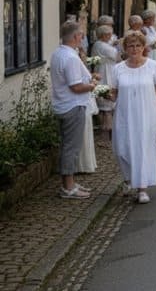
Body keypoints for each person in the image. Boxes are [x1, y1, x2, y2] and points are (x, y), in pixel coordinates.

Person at [109, 31, 156, 204]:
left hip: (147, 115)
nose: (135, 49)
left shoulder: (154, 66)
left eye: (138, 45)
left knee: (144, 149)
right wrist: (102, 93)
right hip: (124, 114)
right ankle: (129, 178)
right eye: (131, 46)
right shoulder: (118, 69)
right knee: (122, 149)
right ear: (125, 48)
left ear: (143, 47)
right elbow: (113, 94)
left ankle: (142, 188)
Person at [51, 21, 99, 199]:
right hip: (72, 105)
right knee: (71, 148)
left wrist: (89, 77)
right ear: (75, 36)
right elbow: (76, 87)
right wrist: (92, 84)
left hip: (64, 104)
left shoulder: (59, 53)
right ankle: (68, 187)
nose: (83, 38)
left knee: (68, 146)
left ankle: (68, 182)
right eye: (82, 35)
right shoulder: (70, 58)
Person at [91, 25, 120, 141]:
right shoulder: (103, 46)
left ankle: (106, 129)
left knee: (104, 102)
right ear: (103, 35)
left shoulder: (97, 44)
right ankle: (107, 131)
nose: (110, 37)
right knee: (108, 101)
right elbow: (117, 57)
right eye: (109, 35)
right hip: (106, 72)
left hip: (101, 70)